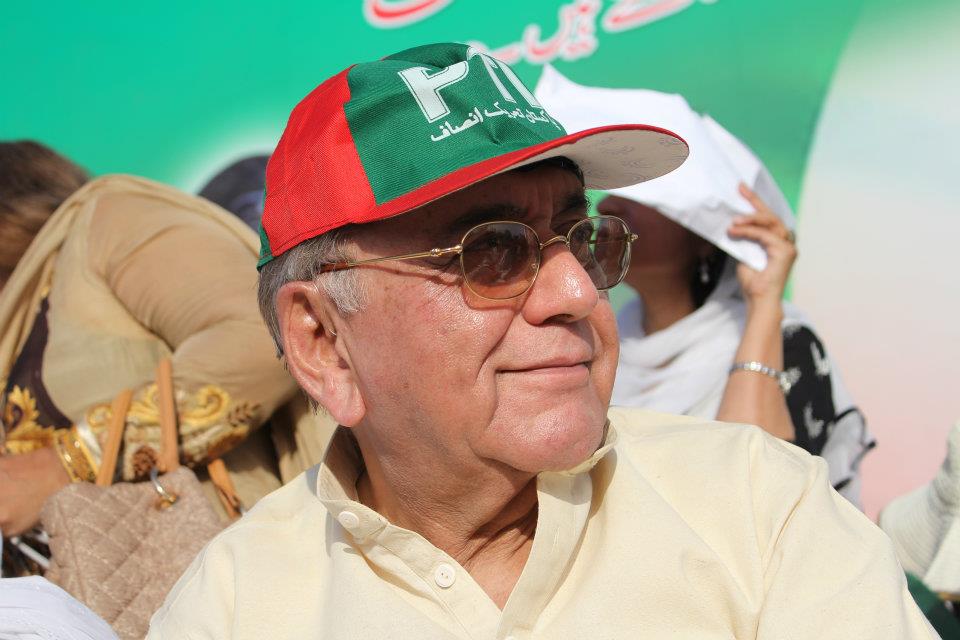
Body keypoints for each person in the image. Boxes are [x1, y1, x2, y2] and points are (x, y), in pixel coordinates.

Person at [149, 44, 934, 638]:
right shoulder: (231, 608)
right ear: (323, 343)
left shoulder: (761, 510)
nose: (579, 293)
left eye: (581, 237)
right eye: (491, 250)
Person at [534, 67, 874, 507]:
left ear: (703, 236)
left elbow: (752, 489)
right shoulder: (602, 340)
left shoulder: (785, 338)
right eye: (614, 193)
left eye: (647, 195)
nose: (613, 204)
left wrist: (765, 303)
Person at [0, 141, 334, 575]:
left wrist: (68, 462)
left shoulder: (109, 222)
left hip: (230, 580)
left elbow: (262, 335)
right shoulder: (12, 322)